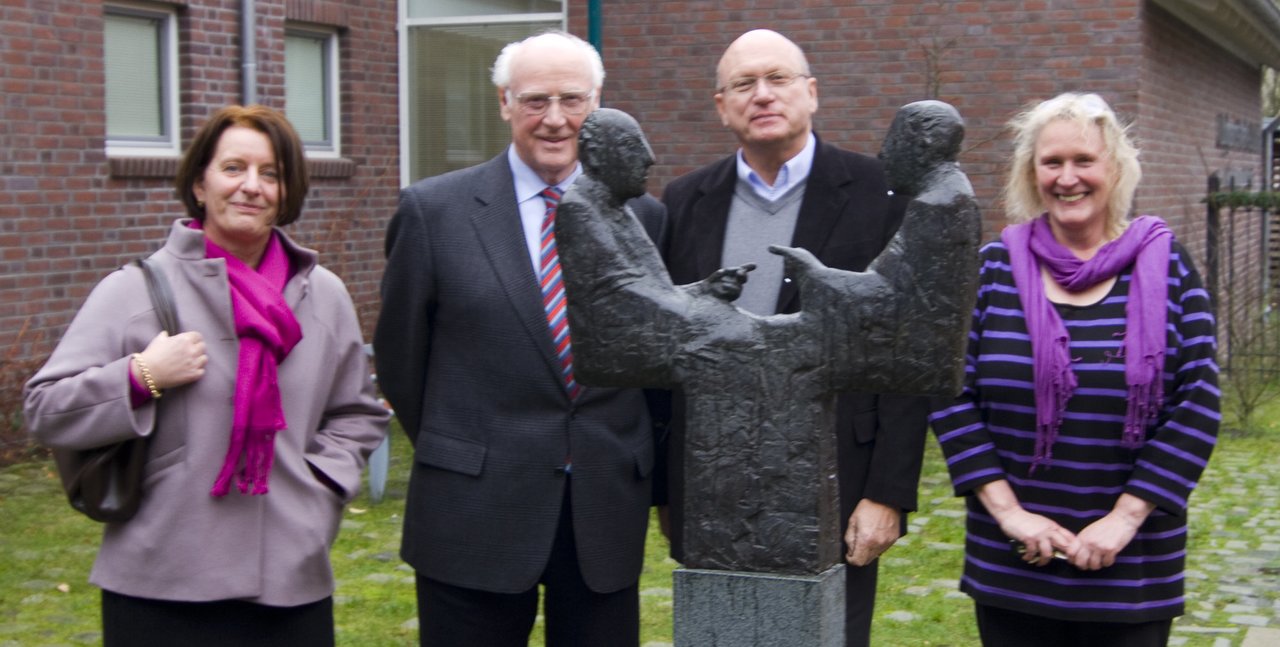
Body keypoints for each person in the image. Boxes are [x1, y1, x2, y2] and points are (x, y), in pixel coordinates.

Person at [24, 104, 390, 647]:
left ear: (287, 192)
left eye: (271, 174)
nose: (252, 187)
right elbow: (44, 411)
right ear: (200, 183)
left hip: (289, 578)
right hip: (162, 581)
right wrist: (142, 375)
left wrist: (320, 485)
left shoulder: (325, 296)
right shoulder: (134, 290)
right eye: (234, 168)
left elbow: (356, 413)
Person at [373, 32, 665, 647]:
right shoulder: (434, 212)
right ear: (504, 103)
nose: (554, 119)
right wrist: (464, 443)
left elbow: (656, 360)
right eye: (535, 100)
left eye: (572, 99)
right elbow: (402, 360)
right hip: (473, 506)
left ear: (598, 103)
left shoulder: (645, 216)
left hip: (602, 505)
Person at [658, 28, 929, 646]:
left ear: (811, 93)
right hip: (713, 481)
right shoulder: (682, 202)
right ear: (721, 104)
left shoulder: (879, 193)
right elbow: (669, 354)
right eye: (743, 84)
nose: (762, 95)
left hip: (838, 479)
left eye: (777, 79)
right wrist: (667, 491)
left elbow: (904, 352)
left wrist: (888, 493)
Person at [928, 92, 1220, 647]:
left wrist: (1126, 519)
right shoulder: (992, 270)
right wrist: (1010, 514)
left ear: (1115, 168)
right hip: (1014, 560)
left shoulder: (1169, 267)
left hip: (1133, 568)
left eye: (1084, 160)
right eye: (1051, 162)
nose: (1068, 178)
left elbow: (1199, 400)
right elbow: (948, 392)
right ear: (1031, 173)